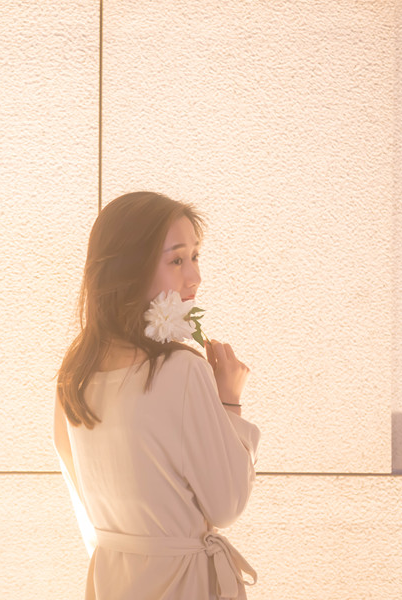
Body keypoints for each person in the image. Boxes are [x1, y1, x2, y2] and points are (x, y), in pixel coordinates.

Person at [53, 191, 261, 599]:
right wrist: (229, 403)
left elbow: (82, 502)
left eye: (195, 256)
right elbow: (227, 504)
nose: (194, 276)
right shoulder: (182, 370)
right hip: (181, 584)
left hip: (112, 581)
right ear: (130, 267)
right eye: (177, 260)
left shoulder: (74, 374)